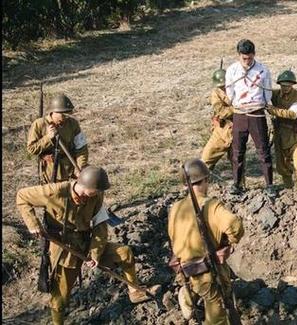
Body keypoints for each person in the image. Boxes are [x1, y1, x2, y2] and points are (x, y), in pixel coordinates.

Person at [16, 166, 160, 325]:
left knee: (124, 253)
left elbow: (100, 227)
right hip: (65, 250)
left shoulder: (97, 196)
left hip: (86, 242)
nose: (99, 194)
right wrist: (33, 224)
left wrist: (95, 254)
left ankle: (135, 292)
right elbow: (22, 196)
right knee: (60, 299)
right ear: (84, 186)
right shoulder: (54, 192)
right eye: (96, 191)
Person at [168, 159, 245, 323]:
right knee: (217, 314)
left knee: (198, 284)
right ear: (204, 180)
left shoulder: (175, 208)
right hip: (206, 272)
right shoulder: (211, 205)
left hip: (184, 268)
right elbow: (235, 225)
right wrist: (228, 243)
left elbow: (173, 237)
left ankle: (187, 297)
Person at [225, 39, 276, 197]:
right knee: (237, 151)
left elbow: (267, 91)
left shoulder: (263, 70)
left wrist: (264, 104)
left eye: (249, 58)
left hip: (257, 113)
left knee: (263, 150)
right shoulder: (232, 70)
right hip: (240, 113)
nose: (247, 61)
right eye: (243, 58)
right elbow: (230, 91)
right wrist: (237, 104)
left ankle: (269, 185)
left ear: (254, 54)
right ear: (239, 55)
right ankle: (236, 184)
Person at [27, 93, 89, 183]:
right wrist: (48, 138)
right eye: (62, 114)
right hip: (50, 171)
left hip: (71, 166)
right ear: (53, 112)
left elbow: (82, 148)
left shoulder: (73, 124)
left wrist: (80, 167)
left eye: (67, 114)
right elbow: (31, 149)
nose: (65, 117)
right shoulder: (39, 124)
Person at [271, 69, 297, 192]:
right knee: (281, 166)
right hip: (279, 135)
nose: (286, 88)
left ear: (293, 84)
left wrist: (273, 110)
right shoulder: (274, 94)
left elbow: (292, 114)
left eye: (288, 85)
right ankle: (288, 188)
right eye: (283, 85)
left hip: (293, 135)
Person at [201, 67, 235, 171]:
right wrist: (237, 108)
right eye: (221, 86)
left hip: (237, 129)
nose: (223, 88)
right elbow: (222, 112)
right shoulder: (215, 93)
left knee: (237, 161)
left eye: (225, 85)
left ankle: (239, 185)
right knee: (206, 158)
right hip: (221, 129)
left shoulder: (237, 88)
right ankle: (197, 183)